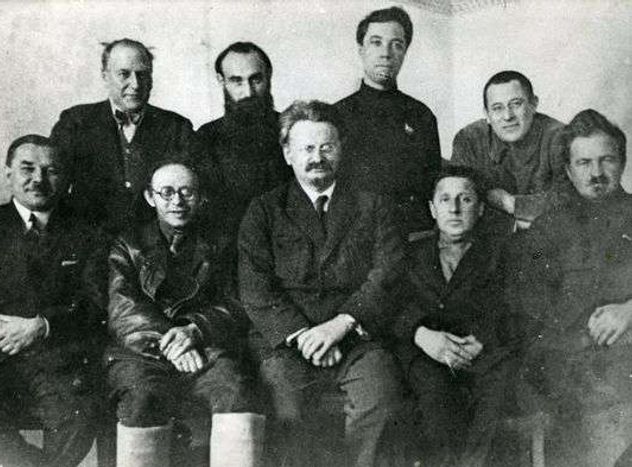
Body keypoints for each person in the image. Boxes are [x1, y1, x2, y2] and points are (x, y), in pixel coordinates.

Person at [238, 100, 406, 467]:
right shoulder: (263, 210)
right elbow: (256, 287)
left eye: (327, 147)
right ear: (288, 154)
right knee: (288, 408)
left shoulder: (373, 205)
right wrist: (303, 336)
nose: (317, 157)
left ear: (341, 148)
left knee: (381, 395)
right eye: (307, 148)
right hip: (286, 345)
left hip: (357, 337)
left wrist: (341, 325)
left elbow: (388, 273)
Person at [106, 160, 261, 467]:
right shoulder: (127, 244)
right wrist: (172, 341)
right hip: (140, 351)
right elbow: (123, 309)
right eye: (166, 192)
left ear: (200, 197)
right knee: (141, 399)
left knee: (236, 394)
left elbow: (238, 301)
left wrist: (194, 330)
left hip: (206, 347)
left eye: (186, 192)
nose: (177, 201)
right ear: (150, 197)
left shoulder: (221, 245)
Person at [509, 109, 632, 466]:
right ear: (567, 169)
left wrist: (629, 311)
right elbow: (527, 304)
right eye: (584, 162)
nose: (596, 173)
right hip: (568, 359)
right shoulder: (547, 229)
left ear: (623, 162)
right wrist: (581, 336)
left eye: (607, 160)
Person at [392, 166, 516, 467]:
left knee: (497, 393)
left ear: (481, 209)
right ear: (432, 209)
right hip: (425, 352)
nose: (455, 209)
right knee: (435, 398)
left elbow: (515, 306)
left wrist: (483, 338)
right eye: (445, 200)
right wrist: (421, 334)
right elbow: (390, 305)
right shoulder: (409, 253)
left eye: (466, 199)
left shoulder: (502, 253)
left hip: (480, 352)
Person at [0, 135, 102, 467]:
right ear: (8, 173)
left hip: (58, 354)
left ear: (65, 179)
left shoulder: (88, 232)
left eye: (51, 171)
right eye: (27, 169)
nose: (38, 179)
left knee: (81, 412)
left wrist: (43, 326)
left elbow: (96, 303)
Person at [50, 38, 194, 234]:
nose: (135, 84)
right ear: (105, 76)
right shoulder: (75, 122)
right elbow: (55, 187)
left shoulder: (177, 126)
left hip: (155, 241)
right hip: (88, 239)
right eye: (124, 74)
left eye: (142, 74)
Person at [334, 6, 441, 235]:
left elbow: (433, 185)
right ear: (361, 50)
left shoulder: (421, 115)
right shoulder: (336, 115)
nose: (386, 53)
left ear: (405, 53)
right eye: (376, 42)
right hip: (357, 239)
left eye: (397, 44)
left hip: (413, 236)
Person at [191, 42, 290, 240]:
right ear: (221, 81)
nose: (248, 92)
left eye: (256, 80)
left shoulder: (293, 131)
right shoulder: (205, 137)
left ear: (269, 76)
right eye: (237, 81)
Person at [450, 70, 565, 228]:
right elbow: (458, 200)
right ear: (487, 114)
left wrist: (511, 203)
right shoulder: (470, 139)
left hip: (547, 237)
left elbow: (572, 200)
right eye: (497, 108)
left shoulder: (560, 138)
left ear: (534, 104)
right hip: (488, 236)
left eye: (516, 104)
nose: (507, 116)